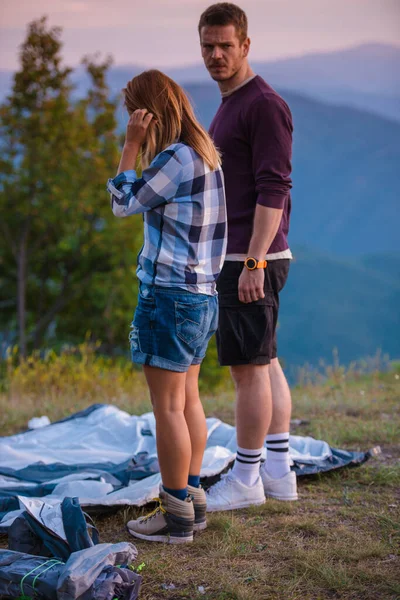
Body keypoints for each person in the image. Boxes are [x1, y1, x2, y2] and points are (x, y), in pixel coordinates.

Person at [107, 70, 227, 541]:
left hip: (169, 296)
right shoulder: (206, 154)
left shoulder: (175, 158)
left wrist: (131, 144)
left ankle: (174, 513)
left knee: (167, 410)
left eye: (133, 113)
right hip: (201, 297)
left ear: (148, 113)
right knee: (188, 401)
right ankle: (192, 500)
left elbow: (124, 202)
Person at [198, 3, 298, 511]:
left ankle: (245, 479)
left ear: (245, 45)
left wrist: (254, 262)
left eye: (225, 45)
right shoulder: (232, 102)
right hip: (246, 255)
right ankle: (278, 473)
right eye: (208, 46)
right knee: (266, 361)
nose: (216, 54)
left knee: (247, 371)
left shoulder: (263, 104)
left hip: (249, 257)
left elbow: (273, 187)